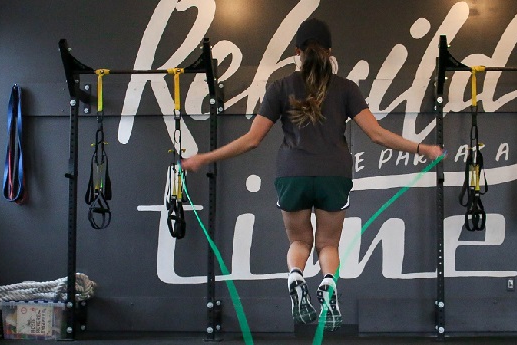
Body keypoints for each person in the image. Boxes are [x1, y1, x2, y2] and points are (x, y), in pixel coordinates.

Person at [181, 18, 445, 331]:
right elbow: (377, 135)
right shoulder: (346, 88)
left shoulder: (281, 87)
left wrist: (205, 157)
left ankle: (295, 277)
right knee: (328, 244)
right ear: (330, 52)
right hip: (334, 173)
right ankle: (328, 285)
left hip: (293, 174)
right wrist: (422, 149)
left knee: (299, 242)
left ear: (297, 52)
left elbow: (251, 141)